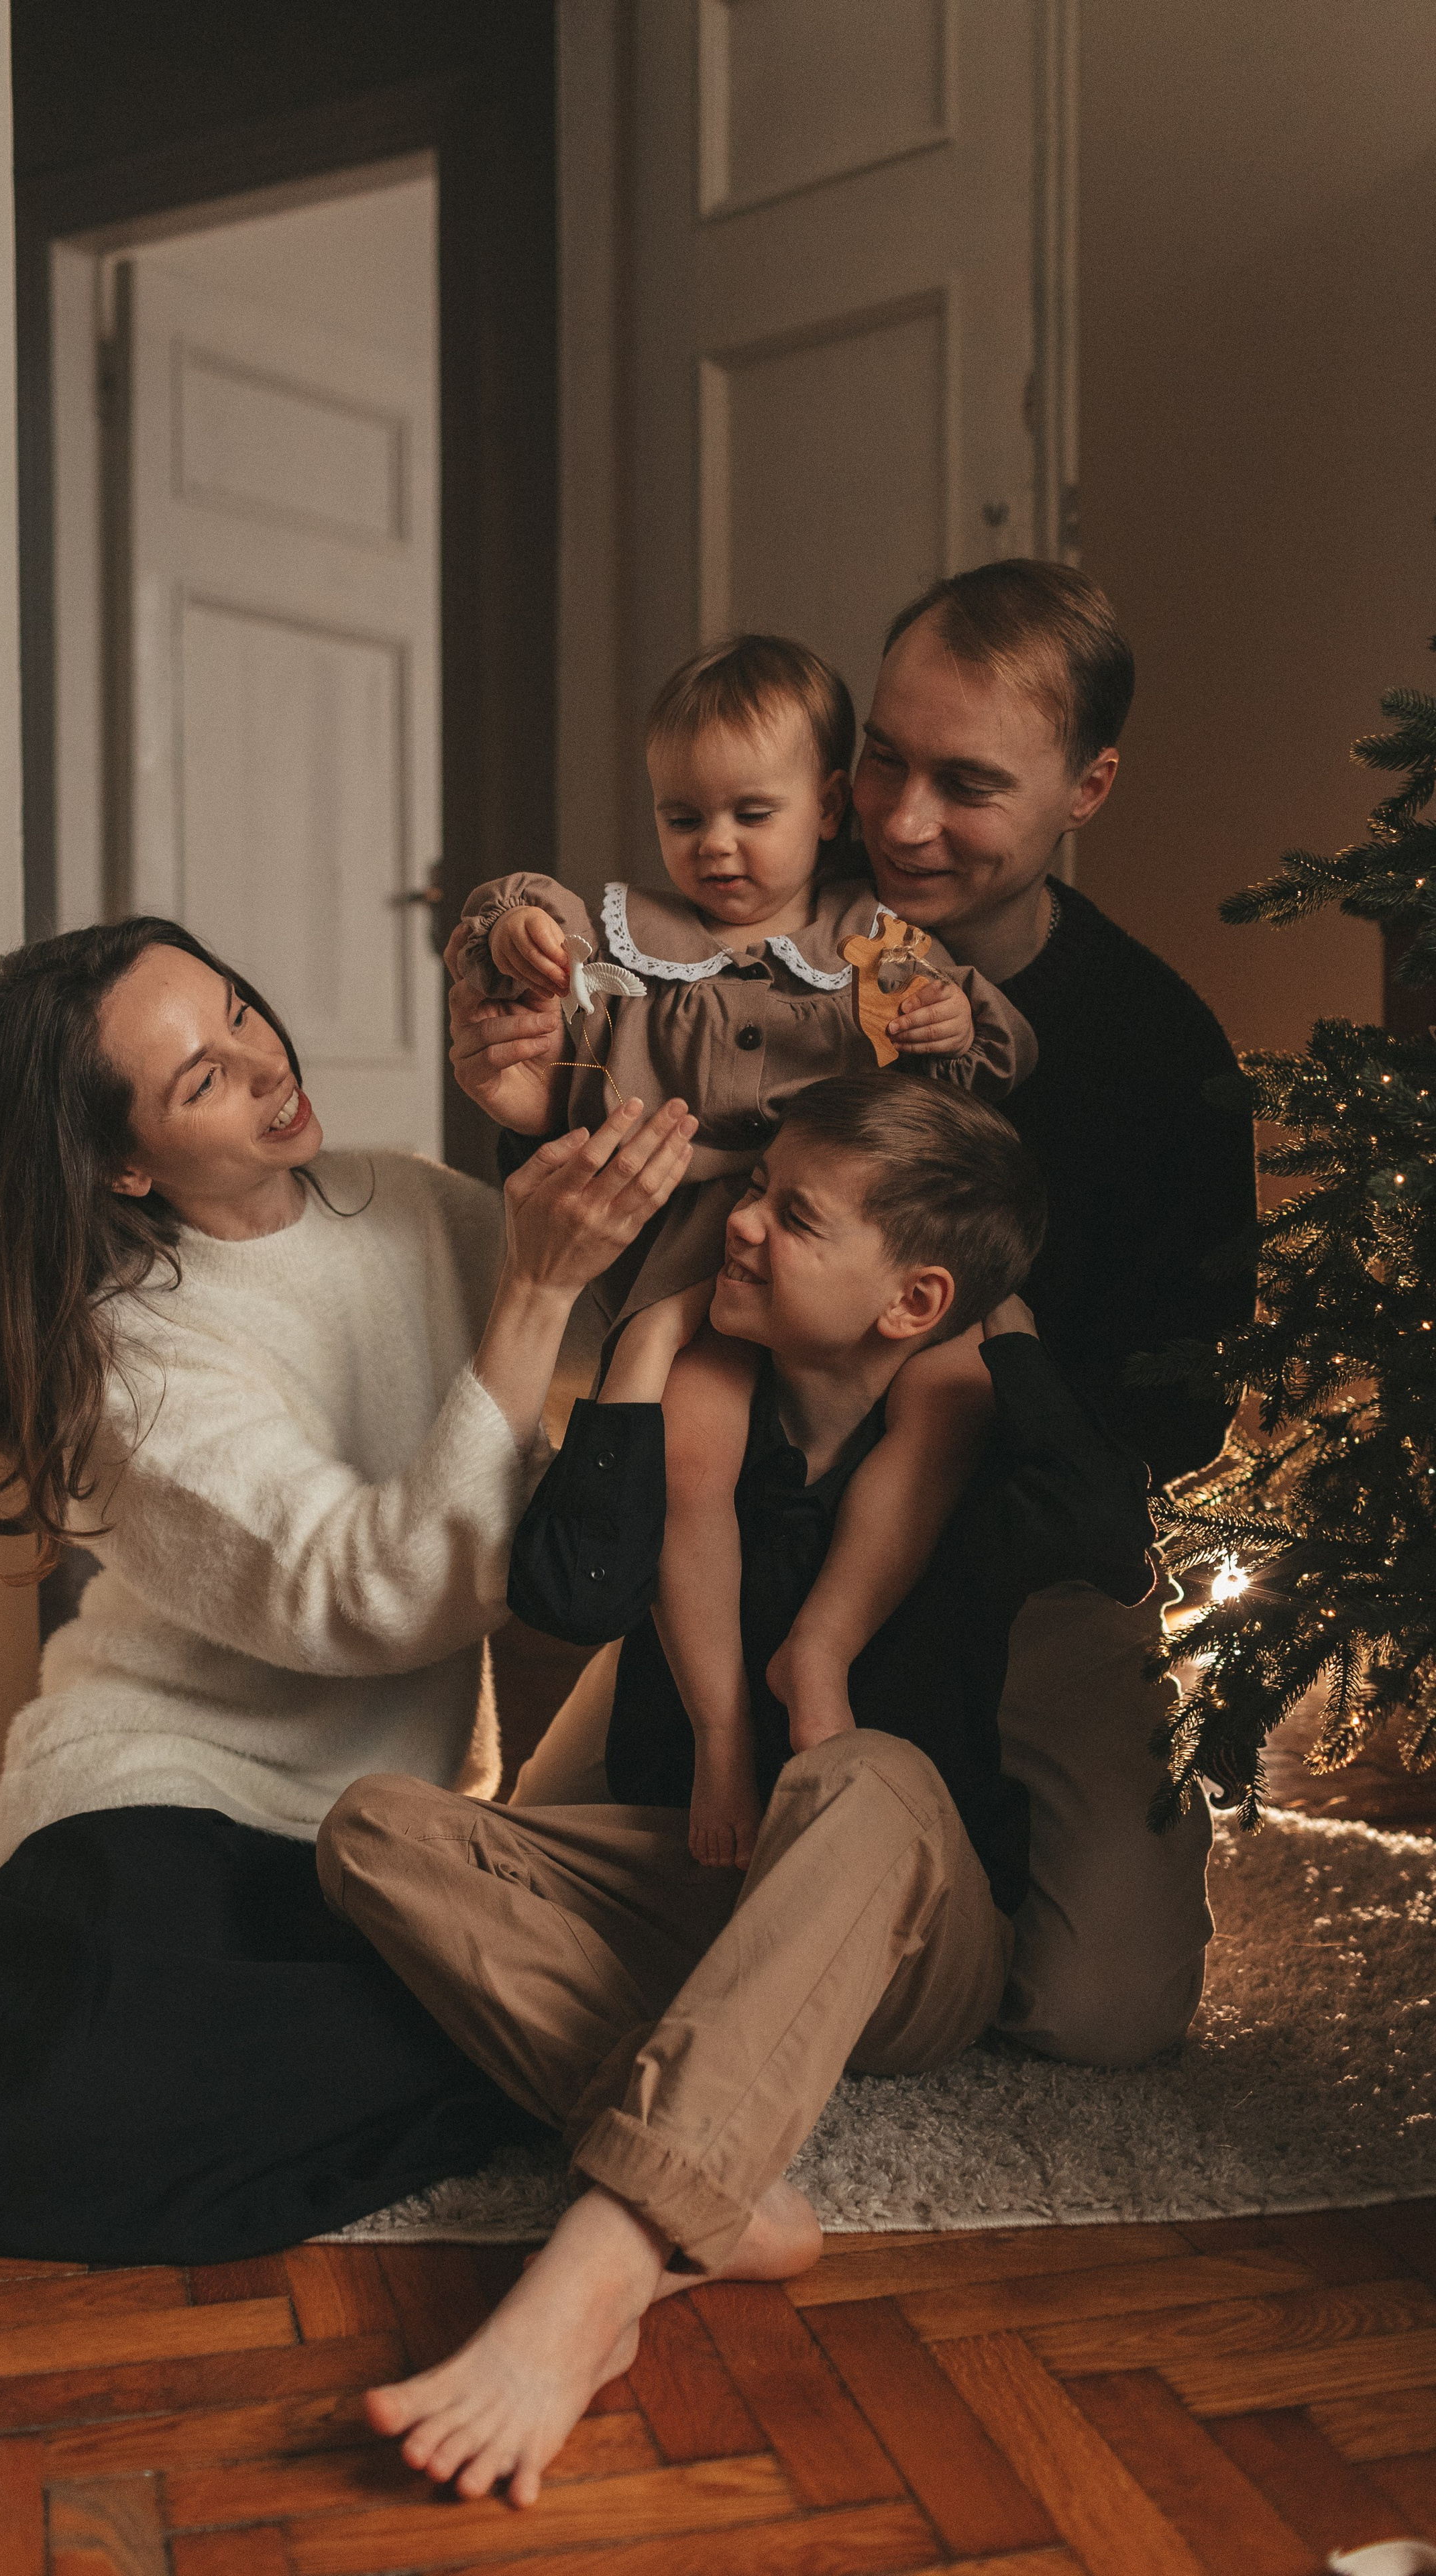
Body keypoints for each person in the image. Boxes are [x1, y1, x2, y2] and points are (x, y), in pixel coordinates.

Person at [0, 916, 700, 2264]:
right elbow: (373, 1595)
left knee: (504, 2019)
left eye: (240, 1012)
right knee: (46, 2118)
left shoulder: (410, 1204)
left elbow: (631, 1299)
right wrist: (530, 1292)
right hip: (163, 1798)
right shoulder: (122, 1354)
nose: (265, 1064)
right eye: (202, 1078)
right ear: (123, 1164)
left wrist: (557, 1116)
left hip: (374, 1836)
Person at [449, 561, 1256, 2067]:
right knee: (525, 1877)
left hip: (1013, 1558)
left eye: (968, 785)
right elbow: (643, 1190)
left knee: (1095, 2014)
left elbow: (1175, 1406)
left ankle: (893, 1892)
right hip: (742, 1513)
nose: (900, 821)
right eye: (882, 760)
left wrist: (948, 1383)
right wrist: (534, 1105)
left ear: (1086, 789)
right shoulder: (757, 927)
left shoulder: (1154, 1050)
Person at [317, 1075, 1159, 2506]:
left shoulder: (967, 1413)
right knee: (373, 1830)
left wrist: (999, 1326)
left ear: (913, 1300)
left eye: (794, 1216)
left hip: (907, 1939)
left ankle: (604, 2260)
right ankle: (731, 2194)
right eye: (754, 1191)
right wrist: (644, 1335)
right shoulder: (705, 1385)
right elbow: (571, 1592)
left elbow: (1104, 1532)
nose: (744, 1225)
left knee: (862, 1774)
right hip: (717, 1893)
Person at [451, 635, 1038, 1867]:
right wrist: (520, 931)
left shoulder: (876, 938)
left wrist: (950, 1016)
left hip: (858, 1257)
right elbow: (542, 966)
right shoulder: (633, 947)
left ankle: (819, 1649)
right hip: (703, 1263)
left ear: (827, 807)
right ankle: (721, 1727)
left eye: (751, 815)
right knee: (693, 1452)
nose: (715, 846)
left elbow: (986, 1062)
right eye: (685, 817)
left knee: (955, 1392)